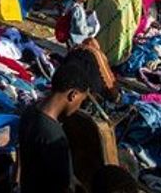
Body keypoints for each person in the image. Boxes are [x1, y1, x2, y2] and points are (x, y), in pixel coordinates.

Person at [18, 54, 101, 193]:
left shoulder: (29, 112)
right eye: (81, 101)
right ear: (73, 95)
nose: (78, 107)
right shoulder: (54, 138)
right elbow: (63, 186)